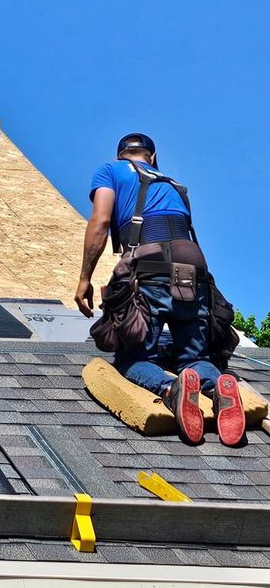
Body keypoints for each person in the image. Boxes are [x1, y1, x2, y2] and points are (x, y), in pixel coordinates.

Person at [75, 132, 245, 446]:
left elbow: (100, 221)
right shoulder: (174, 185)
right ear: (153, 157)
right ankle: (218, 385)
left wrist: (84, 278)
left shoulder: (110, 170)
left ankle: (171, 390)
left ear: (121, 154)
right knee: (193, 357)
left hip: (150, 263)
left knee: (133, 358)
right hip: (193, 267)